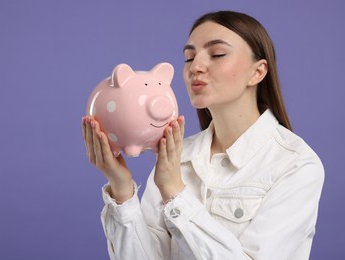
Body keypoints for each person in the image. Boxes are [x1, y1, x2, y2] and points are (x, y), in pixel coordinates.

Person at [82, 10, 324, 259]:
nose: (195, 67)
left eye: (217, 54)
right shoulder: (176, 157)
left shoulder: (296, 165)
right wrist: (121, 188)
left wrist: (175, 192)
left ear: (258, 72)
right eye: (189, 57)